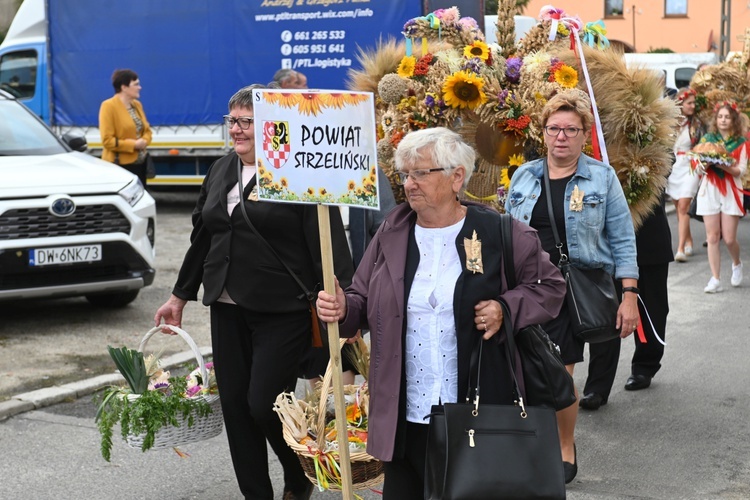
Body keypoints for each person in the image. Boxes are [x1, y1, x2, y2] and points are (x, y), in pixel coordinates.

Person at [316, 127, 566, 499]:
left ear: (456, 177)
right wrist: (341, 308)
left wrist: (504, 307)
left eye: (420, 173)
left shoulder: (499, 232)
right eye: (404, 175)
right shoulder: (392, 233)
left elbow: (550, 287)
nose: (409, 184)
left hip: (476, 414)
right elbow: (361, 301)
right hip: (405, 413)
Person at [154, 84, 354, 500]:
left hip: (282, 310)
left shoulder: (297, 171)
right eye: (234, 121)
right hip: (226, 308)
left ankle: (299, 472)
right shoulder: (221, 170)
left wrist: (344, 300)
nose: (238, 130)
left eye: (248, 122)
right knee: (237, 411)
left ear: (271, 127)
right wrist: (179, 297)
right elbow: (203, 238)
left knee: (263, 403)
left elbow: (327, 241)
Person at [505, 90, 639, 484]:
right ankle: (534, 444)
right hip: (526, 288)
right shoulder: (524, 175)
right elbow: (506, 231)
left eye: (570, 129)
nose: (560, 137)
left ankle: (563, 443)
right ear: (543, 133)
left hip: (570, 289)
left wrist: (628, 294)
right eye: (553, 128)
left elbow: (622, 238)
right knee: (525, 371)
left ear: (584, 135)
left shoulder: (601, 176)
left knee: (557, 373)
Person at [695, 100, 746, 293]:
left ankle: (736, 263)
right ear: (716, 119)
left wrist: (722, 164)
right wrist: (705, 164)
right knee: (713, 236)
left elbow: (740, 171)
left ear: (734, 120)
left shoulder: (741, 142)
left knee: (730, 238)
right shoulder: (707, 139)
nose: (723, 120)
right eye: (720, 117)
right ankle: (715, 278)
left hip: (731, 189)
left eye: (727, 117)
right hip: (710, 189)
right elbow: (697, 167)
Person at [625, 195, 673, 391]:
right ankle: (598, 382)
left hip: (648, 231)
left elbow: (663, 168)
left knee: (652, 304)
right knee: (601, 308)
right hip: (601, 235)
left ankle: (645, 366)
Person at [666, 88, 705, 262]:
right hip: (674, 167)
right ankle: (688, 240)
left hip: (691, 165)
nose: (692, 106)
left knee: (683, 206)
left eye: (694, 102)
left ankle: (680, 248)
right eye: (689, 102)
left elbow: (702, 145)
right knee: (678, 204)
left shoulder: (697, 123)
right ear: (680, 103)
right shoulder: (670, 122)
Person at [99, 69, 152, 186]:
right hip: (120, 166)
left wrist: (145, 141)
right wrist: (134, 145)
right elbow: (107, 141)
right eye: (136, 84)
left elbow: (147, 130)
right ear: (124, 87)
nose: (140, 87)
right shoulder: (108, 106)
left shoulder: (137, 105)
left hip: (141, 164)